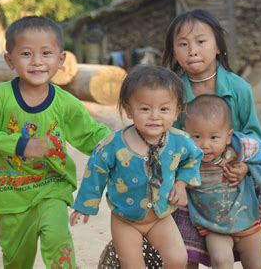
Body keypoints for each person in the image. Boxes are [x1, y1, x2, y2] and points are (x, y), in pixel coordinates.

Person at [0, 16, 110, 268]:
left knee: (59, 241)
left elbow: (90, 135)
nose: (37, 61)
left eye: (46, 53)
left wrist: (122, 144)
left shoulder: (65, 103)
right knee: (16, 259)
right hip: (11, 194)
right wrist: (22, 145)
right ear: (9, 60)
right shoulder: (1, 96)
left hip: (52, 187)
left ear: (61, 59)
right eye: (26, 53)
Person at [162, 8, 261, 269]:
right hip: (194, 183)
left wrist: (246, 166)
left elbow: (255, 136)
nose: (193, 50)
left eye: (201, 41)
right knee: (187, 248)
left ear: (218, 46)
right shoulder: (172, 91)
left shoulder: (238, 88)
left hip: (240, 182)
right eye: (183, 44)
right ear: (173, 51)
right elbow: (169, 138)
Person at [69, 65, 203, 268]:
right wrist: (85, 205)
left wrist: (182, 183)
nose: (155, 116)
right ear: (128, 110)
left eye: (164, 109)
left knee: (178, 259)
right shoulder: (112, 146)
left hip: (160, 217)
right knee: (132, 265)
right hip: (125, 220)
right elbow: (95, 172)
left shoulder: (180, 142)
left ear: (177, 111)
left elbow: (193, 158)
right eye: (145, 109)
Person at [184, 94, 261, 268]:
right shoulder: (185, 156)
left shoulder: (240, 146)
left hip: (248, 222)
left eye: (214, 137)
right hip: (212, 226)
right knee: (221, 261)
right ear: (186, 133)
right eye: (197, 137)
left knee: (256, 265)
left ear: (228, 136)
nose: (205, 145)